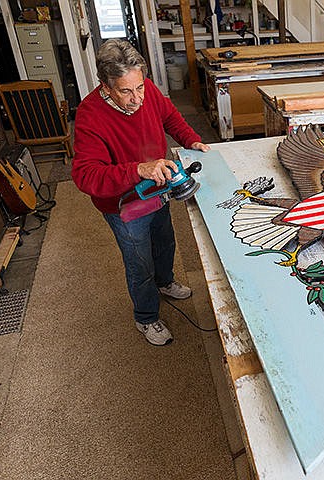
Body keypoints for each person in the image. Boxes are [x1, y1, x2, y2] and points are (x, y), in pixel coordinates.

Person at [72, 39, 210, 346]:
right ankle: (146, 317)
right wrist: (137, 169)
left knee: (164, 242)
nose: (137, 99)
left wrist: (192, 141)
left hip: (158, 189)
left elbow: (170, 117)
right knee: (139, 262)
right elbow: (85, 176)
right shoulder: (89, 114)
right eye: (126, 91)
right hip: (124, 205)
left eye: (140, 88)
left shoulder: (143, 87)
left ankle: (166, 282)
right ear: (105, 87)